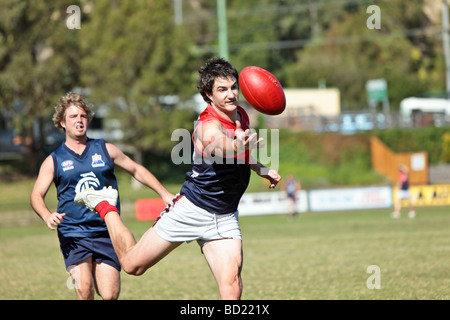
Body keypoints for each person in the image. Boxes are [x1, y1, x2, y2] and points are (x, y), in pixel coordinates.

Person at [74, 57, 282, 300]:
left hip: (225, 216)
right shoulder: (207, 125)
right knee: (132, 266)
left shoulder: (241, 115)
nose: (231, 94)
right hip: (192, 209)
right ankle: (105, 205)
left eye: (234, 87)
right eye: (222, 89)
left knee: (232, 284)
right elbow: (218, 145)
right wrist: (235, 146)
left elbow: (239, 153)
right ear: (208, 94)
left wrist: (260, 168)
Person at [30, 92, 174, 300]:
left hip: (106, 232)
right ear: (62, 122)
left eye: (82, 116)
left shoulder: (105, 149)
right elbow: (36, 194)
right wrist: (45, 215)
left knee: (110, 295)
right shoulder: (54, 160)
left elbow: (136, 170)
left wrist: (164, 193)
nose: (79, 120)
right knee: (84, 289)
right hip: (74, 233)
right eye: (73, 116)